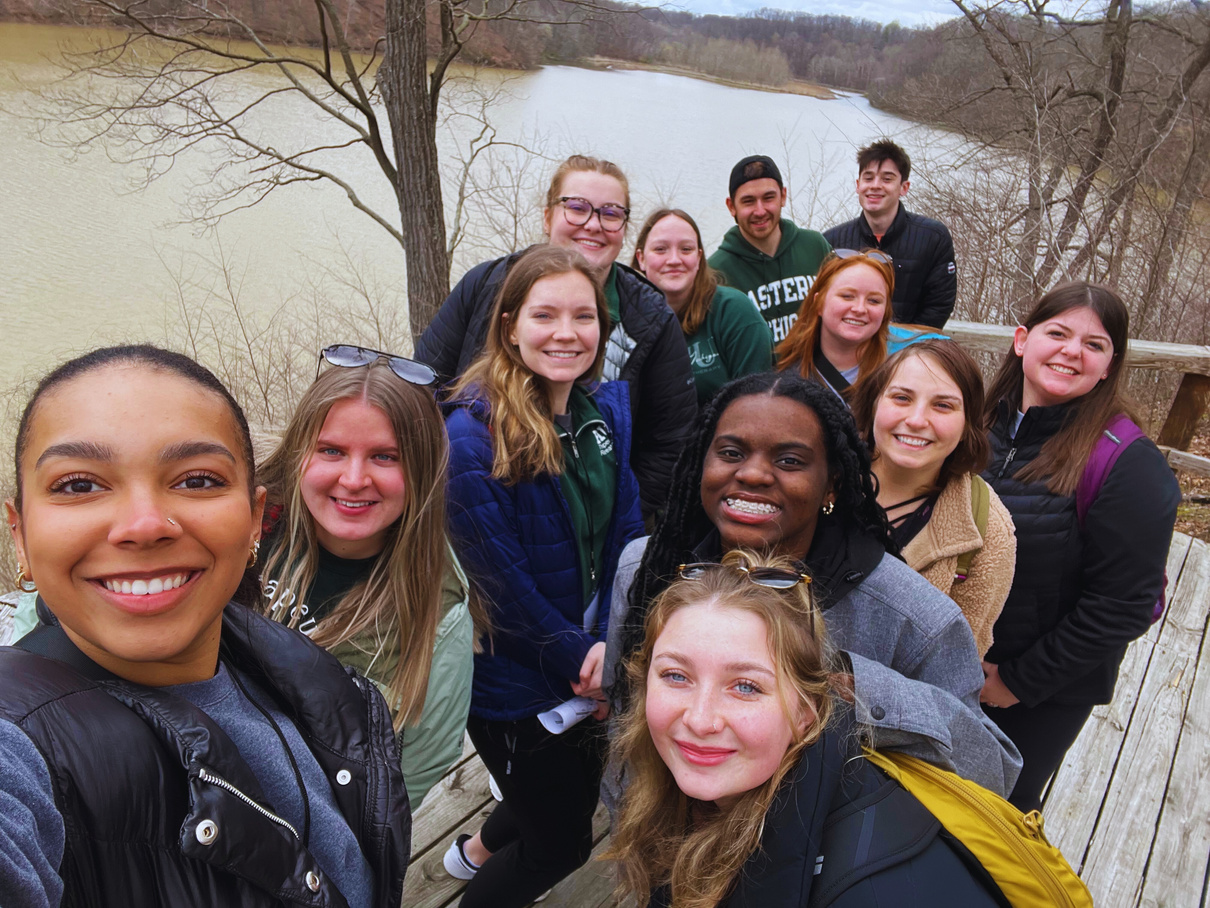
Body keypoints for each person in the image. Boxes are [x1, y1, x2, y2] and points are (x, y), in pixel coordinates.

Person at [0, 345, 410, 908]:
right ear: (19, 533)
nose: (143, 525)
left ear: (253, 520)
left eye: (196, 479)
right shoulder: (19, 744)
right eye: (79, 485)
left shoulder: (287, 666)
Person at [605, 371, 1022, 798]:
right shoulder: (645, 568)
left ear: (832, 485)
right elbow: (624, 723)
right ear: (699, 463)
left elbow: (993, 769)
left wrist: (860, 690)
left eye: (789, 461)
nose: (752, 474)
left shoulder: (911, 616)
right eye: (730, 452)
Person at [605, 551, 1006, 907]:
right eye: (676, 676)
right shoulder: (703, 803)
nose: (699, 719)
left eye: (746, 686)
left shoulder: (876, 889)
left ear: (806, 712)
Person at [440, 245, 645, 907]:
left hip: (592, 663)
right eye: (545, 314)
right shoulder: (473, 436)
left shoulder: (601, 416)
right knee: (561, 844)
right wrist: (581, 655)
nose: (566, 332)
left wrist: (618, 642)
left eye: (583, 316)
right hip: (517, 680)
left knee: (568, 793)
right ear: (510, 326)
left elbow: (628, 536)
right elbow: (498, 583)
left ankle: (474, 852)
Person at [980, 282, 1180, 812]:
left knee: (996, 813)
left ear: (1109, 366)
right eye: (1058, 333)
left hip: (1033, 693)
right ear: (1022, 340)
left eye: (1095, 344)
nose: (1073, 351)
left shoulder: (1128, 464)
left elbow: (1125, 604)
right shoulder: (977, 420)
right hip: (953, 662)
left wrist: (1017, 681)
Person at [254, 345, 476, 808]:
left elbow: (419, 769)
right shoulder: (244, 525)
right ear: (300, 453)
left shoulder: (439, 612)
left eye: (385, 457)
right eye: (332, 450)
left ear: (421, 470)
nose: (354, 479)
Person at [415, 153, 695, 521]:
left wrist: (613, 524)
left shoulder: (652, 318)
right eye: (576, 207)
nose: (593, 224)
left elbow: (670, 443)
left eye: (611, 213)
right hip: (476, 505)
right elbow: (422, 389)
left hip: (594, 520)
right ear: (548, 217)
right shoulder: (486, 285)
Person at [850, 339, 1016, 657]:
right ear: (873, 403)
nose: (916, 420)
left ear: (968, 422)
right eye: (901, 398)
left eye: (942, 405)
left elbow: (955, 669)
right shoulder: (820, 481)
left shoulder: (988, 530)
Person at [631, 208, 772, 406]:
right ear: (641, 259)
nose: (674, 260)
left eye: (686, 249)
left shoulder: (735, 313)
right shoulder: (623, 321)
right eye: (660, 249)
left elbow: (756, 404)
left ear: (698, 258)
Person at [823, 139, 957, 328]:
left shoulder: (933, 238)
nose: (875, 185)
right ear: (857, 185)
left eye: (887, 179)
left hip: (907, 351)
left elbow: (939, 305)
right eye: (868, 178)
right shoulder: (832, 241)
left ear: (904, 187)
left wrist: (903, 345)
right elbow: (823, 303)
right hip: (849, 349)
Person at [707, 155, 832, 345]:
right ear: (731, 206)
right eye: (748, 201)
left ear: (783, 196)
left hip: (816, 371)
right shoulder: (715, 271)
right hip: (757, 374)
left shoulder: (815, 246)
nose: (760, 211)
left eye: (768, 198)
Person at [775, 248, 894, 401]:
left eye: (874, 301)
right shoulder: (784, 387)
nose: (860, 309)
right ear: (818, 303)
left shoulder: (898, 378)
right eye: (847, 296)